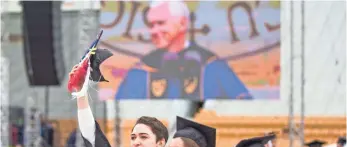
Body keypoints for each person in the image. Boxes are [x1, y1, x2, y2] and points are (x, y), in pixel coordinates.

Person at [98, 1, 252, 100]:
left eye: (160, 23)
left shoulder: (212, 66)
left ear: (183, 24)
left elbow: (244, 108)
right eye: (151, 25)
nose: (154, 30)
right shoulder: (141, 71)